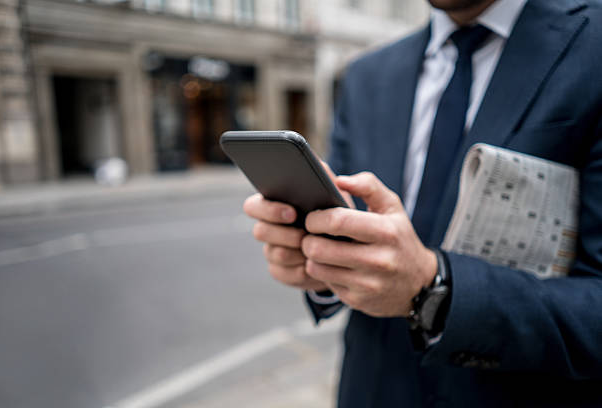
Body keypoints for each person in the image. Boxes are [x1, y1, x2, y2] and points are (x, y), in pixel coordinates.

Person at [243, 0, 602, 406]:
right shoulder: (366, 76)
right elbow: (360, 240)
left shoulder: (592, 45)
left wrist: (432, 288)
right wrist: (323, 263)